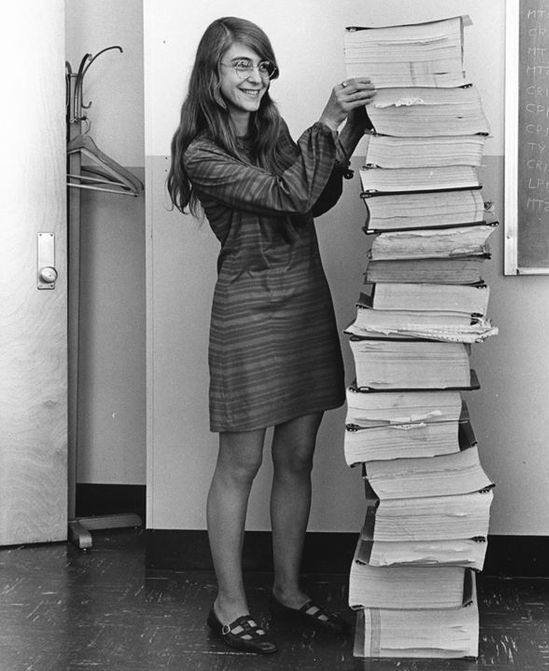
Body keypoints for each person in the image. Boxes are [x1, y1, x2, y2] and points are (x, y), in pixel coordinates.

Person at [167, 16, 375, 655]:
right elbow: (287, 193)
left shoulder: (272, 128)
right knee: (242, 463)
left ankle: (286, 589)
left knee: (295, 457)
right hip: (249, 311)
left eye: (261, 65)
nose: (256, 77)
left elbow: (310, 198)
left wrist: (353, 128)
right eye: (241, 65)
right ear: (213, 72)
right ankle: (228, 606)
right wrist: (329, 116)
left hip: (302, 300)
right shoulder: (202, 153)